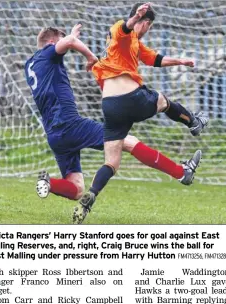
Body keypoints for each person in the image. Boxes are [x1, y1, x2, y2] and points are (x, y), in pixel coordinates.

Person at [72, 3, 209, 224]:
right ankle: (194, 122)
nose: (147, 30)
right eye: (149, 26)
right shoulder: (122, 32)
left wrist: (180, 61)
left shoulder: (130, 45)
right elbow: (124, 28)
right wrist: (135, 17)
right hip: (130, 98)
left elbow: (154, 59)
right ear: (145, 23)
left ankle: (91, 195)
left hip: (110, 107)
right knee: (163, 101)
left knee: (112, 162)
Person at [25, 24, 146, 201]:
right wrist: (91, 57)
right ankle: (179, 171)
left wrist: (70, 36)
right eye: (60, 39)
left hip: (54, 135)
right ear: (51, 42)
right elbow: (70, 42)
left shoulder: (31, 64)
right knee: (125, 140)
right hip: (69, 124)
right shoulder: (49, 53)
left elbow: (68, 41)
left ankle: (49, 182)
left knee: (77, 189)